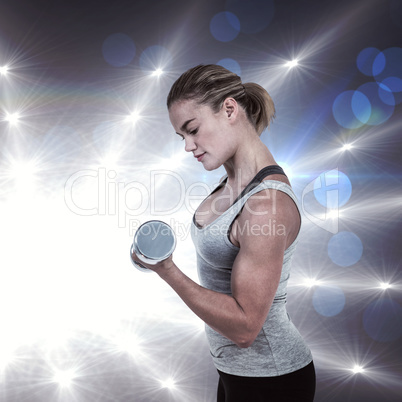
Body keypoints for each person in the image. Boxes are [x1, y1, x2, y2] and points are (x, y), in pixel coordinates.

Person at [131, 64, 316, 401]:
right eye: (182, 136)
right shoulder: (233, 181)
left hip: (272, 380)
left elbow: (246, 328)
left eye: (193, 129)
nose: (188, 146)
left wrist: (166, 269)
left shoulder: (266, 205)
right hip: (235, 373)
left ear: (229, 109)